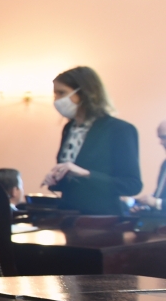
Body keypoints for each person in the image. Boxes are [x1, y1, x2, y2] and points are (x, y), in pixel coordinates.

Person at [41, 66, 140, 214]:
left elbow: (132, 185)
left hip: (102, 218)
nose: (56, 100)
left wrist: (85, 174)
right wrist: (56, 178)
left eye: (62, 93)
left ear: (84, 93)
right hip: (68, 214)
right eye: (55, 94)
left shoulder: (119, 130)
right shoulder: (69, 128)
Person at [131, 119, 166, 212]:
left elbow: (157, 201)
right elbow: (160, 196)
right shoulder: (164, 165)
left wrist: (156, 203)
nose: (161, 142)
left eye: (164, 137)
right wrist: (144, 206)